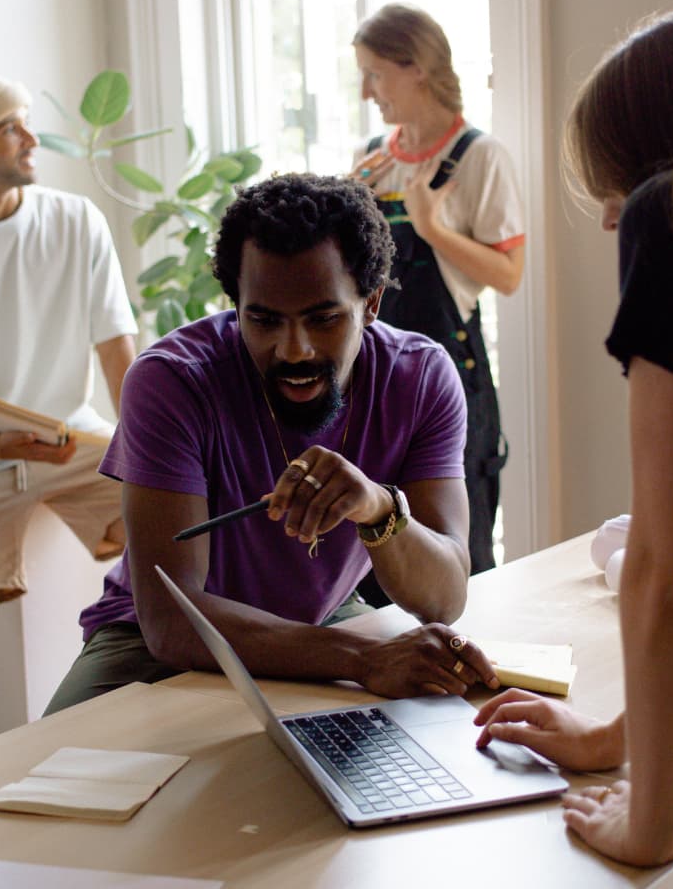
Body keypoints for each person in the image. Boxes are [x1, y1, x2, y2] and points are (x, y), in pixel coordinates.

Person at [44, 172, 501, 714]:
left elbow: (444, 598)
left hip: (322, 620)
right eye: (263, 319)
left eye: (324, 318)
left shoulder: (420, 377)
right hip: (153, 647)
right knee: (37, 784)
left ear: (372, 302)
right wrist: (360, 657)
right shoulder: (172, 382)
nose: (294, 350)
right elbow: (171, 621)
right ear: (235, 303)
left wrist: (379, 509)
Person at [475, 6, 673, 867]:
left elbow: (665, 566)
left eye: (613, 184)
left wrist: (653, 823)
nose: (612, 220)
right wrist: (616, 737)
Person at [351, 4, 524, 584]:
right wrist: (346, 203)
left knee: (457, 555)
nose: (367, 91)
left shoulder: (480, 157)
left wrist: (432, 229)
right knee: (374, 558)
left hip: (450, 383)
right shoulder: (373, 157)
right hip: (373, 385)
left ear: (416, 67)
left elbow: (509, 274)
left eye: (375, 73)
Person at [0, 75, 138, 604]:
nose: (32, 140)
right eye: (11, 128)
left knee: (178, 506)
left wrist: (149, 457)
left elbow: (118, 357)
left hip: (70, 444)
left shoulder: (76, 221)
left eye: (28, 122)